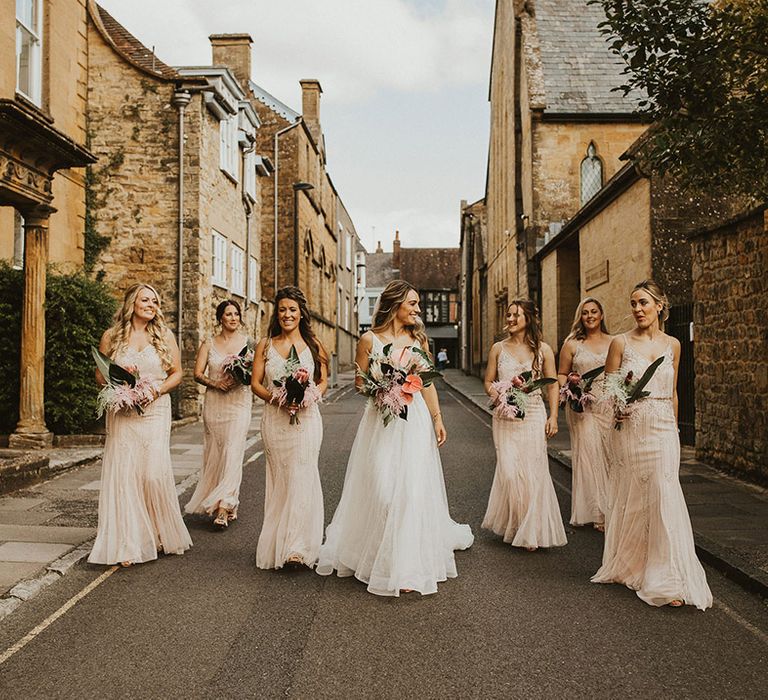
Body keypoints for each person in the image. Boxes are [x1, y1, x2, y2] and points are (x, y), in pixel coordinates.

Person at [317, 280, 473, 596]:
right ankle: (374, 552)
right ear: (395, 304)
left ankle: (404, 568)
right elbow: (360, 384)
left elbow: (426, 384)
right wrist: (382, 384)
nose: (418, 309)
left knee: (411, 493)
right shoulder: (369, 340)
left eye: (417, 303)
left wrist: (437, 418)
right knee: (383, 491)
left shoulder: (418, 342)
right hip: (381, 422)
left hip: (413, 422)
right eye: (412, 303)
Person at [592, 280, 712, 610]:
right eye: (633, 304)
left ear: (659, 305)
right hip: (630, 428)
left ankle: (667, 576)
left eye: (643, 302)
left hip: (662, 427)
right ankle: (633, 564)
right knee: (635, 496)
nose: (637, 309)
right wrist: (619, 404)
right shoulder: (620, 343)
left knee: (663, 493)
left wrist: (674, 429)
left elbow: (673, 392)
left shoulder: (673, 345)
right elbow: (609, 388)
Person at [89, 283, 192, 567]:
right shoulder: (111, 336)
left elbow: (177, 373)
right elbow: (100, 376)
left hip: (155, 409)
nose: (151, 304)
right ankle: (129, 542)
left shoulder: (164, 335)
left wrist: (154, 391)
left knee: (152, 474)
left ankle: (158, 530)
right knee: (125, 474)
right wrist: (121, 384)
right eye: (146, 299)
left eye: (155, 301)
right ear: (132, 302)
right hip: (123, 411)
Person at [251, 287, 328, 569]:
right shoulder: (265, 345)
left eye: (292, 310)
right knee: (281, 479)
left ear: (301, 313)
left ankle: (297, 548)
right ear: (277, 313)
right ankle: (279, 542)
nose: (287, 314)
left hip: (307, 420)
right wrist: (278, 398)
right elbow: (256, 383)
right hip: (275, 419)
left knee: (303, 475)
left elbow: (322, 381)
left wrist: (310, 397)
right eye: (282, 309)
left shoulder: (314, 345)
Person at [482, 299, 566, 551]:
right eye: (508, 315)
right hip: (505, 416)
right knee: (509, 470)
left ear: (528, 318)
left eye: (515, 315)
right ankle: (518, 521)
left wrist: (553, 416)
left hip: (532, 413)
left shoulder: (544, 350)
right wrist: (500, 396)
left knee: (532, 470)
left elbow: (552, 384)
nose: (509, 319)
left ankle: (529, 529)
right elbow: (488, 381)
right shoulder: (498, 348)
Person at [185, 300, 253, 528]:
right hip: (215, 404)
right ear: (220, 318)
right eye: (228, 314)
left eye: (236, 314)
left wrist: (240, 378)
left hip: (239, 403)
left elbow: (256, 374)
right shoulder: (209, 344)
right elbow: (197, 373)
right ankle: (226, 500)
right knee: (217, 453)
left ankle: (224, 508)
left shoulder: (248, 344)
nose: (233, 318)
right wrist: (215, 383)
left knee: (233, 452)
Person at [557, 297, 613, 531]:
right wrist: (570, 387)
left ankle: (611, 507)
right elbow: (561, 374)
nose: (590, 316)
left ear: (601, 315)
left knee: (609, 456)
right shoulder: (572, 344)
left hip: (607, 404)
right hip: (583, 407)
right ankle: (597, 512)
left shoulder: (614, 342)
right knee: (590, 457)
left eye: (594, 312)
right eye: (585, 313)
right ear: (580, 317)